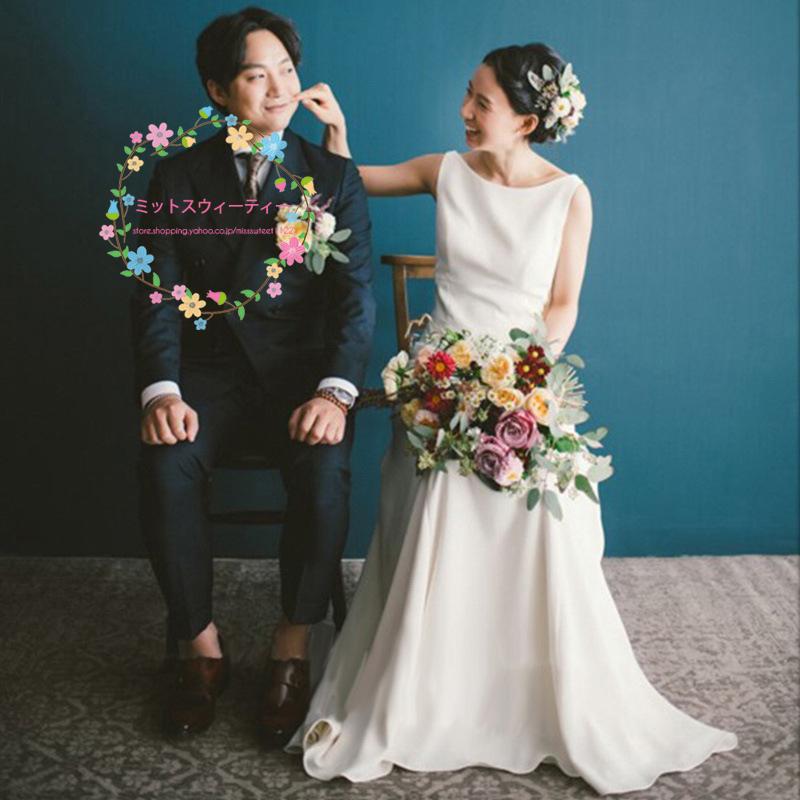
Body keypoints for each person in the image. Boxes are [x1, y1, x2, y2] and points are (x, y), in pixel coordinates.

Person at [282, 42, 739, 793]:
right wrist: (336, 133)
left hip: (519, 381)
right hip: (438, 386)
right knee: (440, 484)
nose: (465, 110)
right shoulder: (444, 171)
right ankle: (427, 676)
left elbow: (562, 305)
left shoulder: (568, 196)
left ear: (527, 120)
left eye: (482, 102)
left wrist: (518, 385)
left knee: (542, 508)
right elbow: (350, 185)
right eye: (468, 93)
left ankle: (518, 683)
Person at [130, 6, 375, 741]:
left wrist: (335, 392)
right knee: (165, 461)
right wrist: (161, 390)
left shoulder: (333, 176)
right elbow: (155, 294)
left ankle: (291, 647)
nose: (277, 89)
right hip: (207, 375)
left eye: (287, 71)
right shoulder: (175, 176)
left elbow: (355, 299)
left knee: (325, 468)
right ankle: (201, 649)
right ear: (217, 89)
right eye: (255, 75)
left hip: (300, 379)